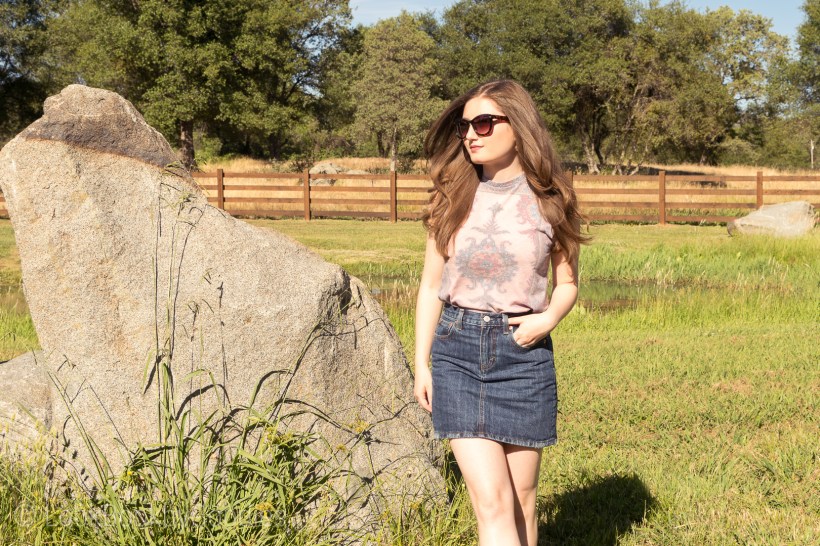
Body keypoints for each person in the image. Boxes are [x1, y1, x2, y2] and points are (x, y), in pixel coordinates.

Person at [413, 79, 587, 546]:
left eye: (484, 122)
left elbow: (566, 285)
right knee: (491, 501)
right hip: (457, 353)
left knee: (524, 500)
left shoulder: (552, 200)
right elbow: (431, 285)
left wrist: (547, 319)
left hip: (523, 357)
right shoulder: (451, 195)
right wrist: (421, 364)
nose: (471, 133)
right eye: (465, 125)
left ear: (519, 126)